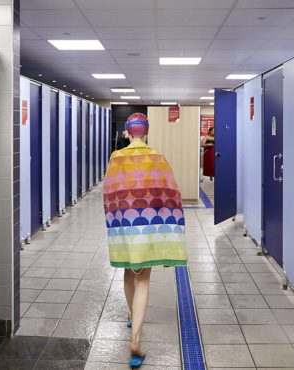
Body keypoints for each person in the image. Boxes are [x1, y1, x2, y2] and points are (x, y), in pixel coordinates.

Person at [103, 113, 187, 368]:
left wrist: (115, 219)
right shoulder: (158, 158)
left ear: (127, 133)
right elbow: (171, 192)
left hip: (125, 226)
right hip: (148, 226)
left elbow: (110, 192)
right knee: (144, 279)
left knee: (129, 273)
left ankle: (132, 315)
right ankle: (135, 338)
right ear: (146, 133)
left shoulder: (116, 158)